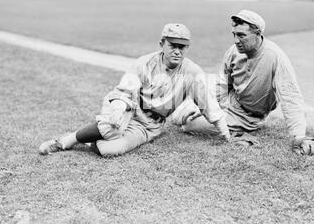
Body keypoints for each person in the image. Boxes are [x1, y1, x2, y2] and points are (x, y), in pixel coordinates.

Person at [39, 23, 230, 156]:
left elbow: (209, 105)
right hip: (130, 108)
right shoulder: (144, 63)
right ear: (161, 44)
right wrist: (118, 110)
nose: (178, 51)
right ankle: (66, 141)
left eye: (183, 47)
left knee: (110, 150)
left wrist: (225, 133)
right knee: (111, 127)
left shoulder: (192, 71)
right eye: (173, 45)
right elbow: (125, 91)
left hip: (150, 124)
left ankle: (89, 141)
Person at [172, 10, 314, 155]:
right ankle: (221, 123)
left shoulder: (275, 57)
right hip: (230, 103)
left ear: (257, 34)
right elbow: (222, 86)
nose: (236, 41)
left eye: (242, 36)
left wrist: (298, 137)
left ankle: (239, 134)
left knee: (189, 124)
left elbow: (291, 98)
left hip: (249, 116)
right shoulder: (233, 51)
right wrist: (209, 108)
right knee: (179, 116)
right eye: (234, 35)